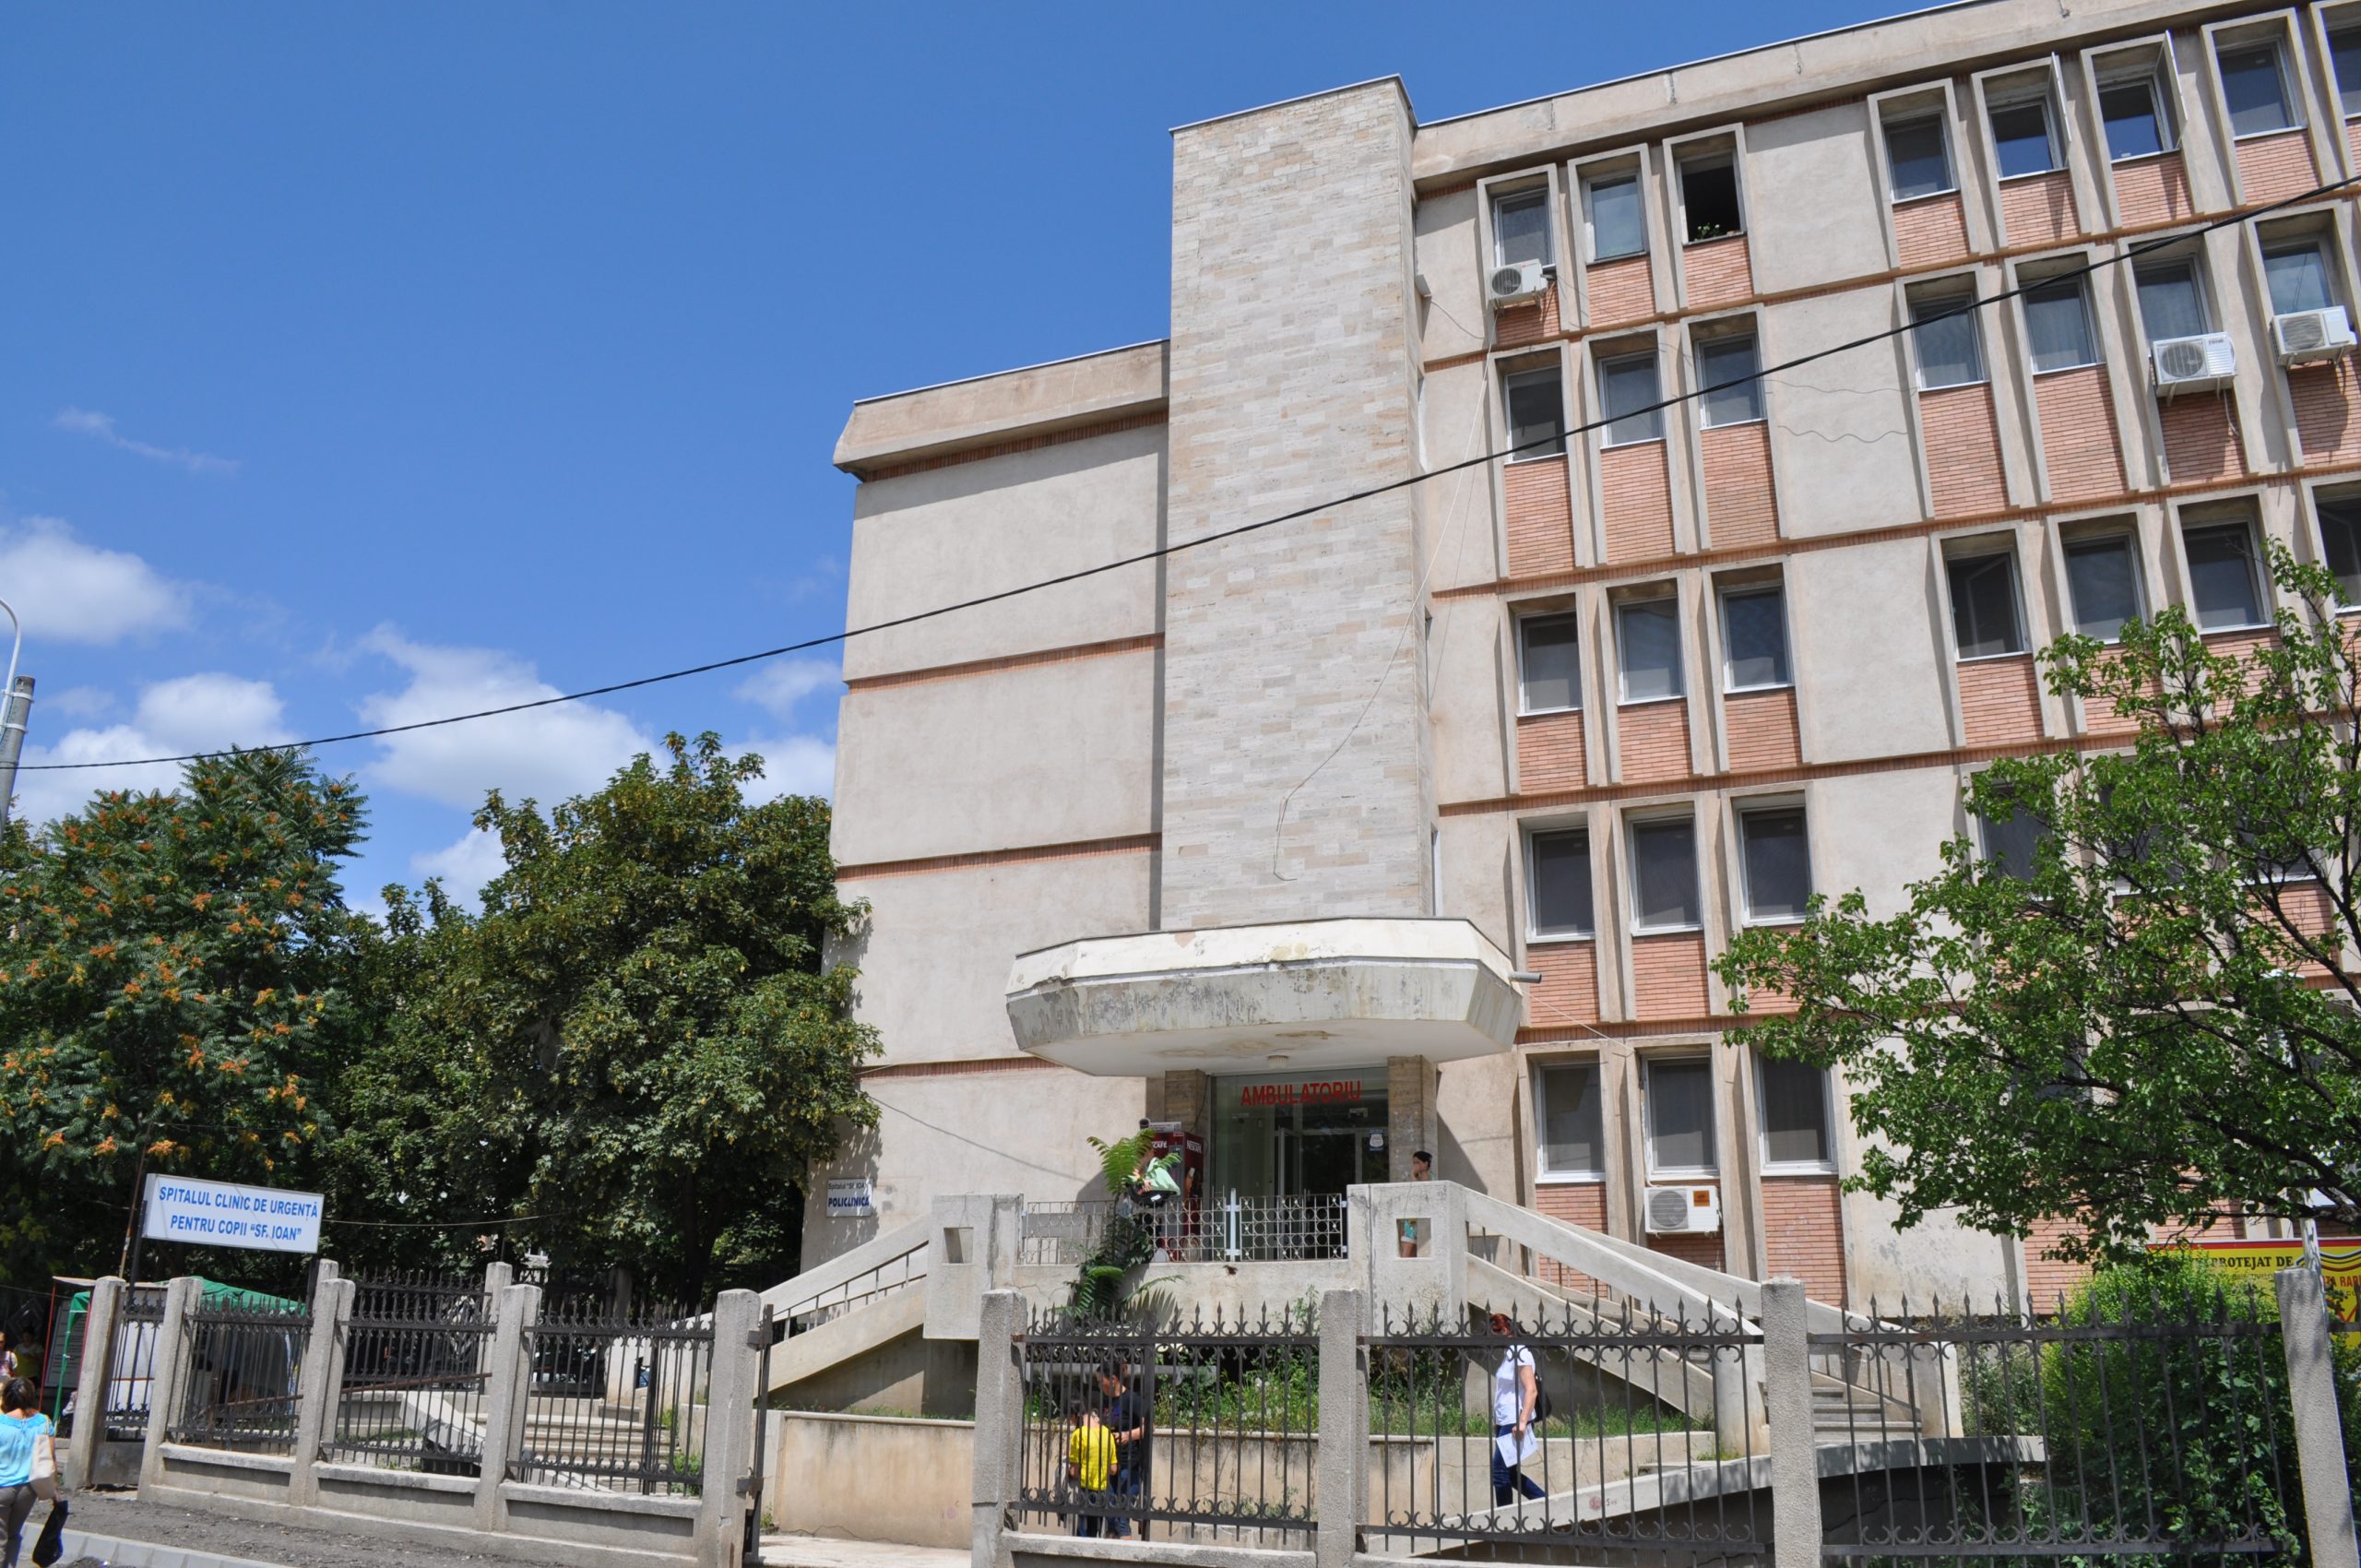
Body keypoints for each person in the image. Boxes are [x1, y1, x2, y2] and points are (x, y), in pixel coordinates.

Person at [1487, 1312, 1545, 1507]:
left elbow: (1531, 1390)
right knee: (1509, 1473)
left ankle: (1505, 1517)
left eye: (1493, 1334)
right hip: (1504, 1420)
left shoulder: (1521, 1352)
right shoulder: (1510, 1353)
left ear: (1504, 1330)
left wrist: (1522, 1422)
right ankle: (1544, 1501)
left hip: (1515, 1420)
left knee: (1499, 1471)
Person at [1097, 1356, 1152, 1540]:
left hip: (1129, 1464)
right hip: (1110, 1464)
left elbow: (1148, 1427)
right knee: (1110, 1516)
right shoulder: (1105, 1401)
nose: (1099, 1385)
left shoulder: (1132, 1399)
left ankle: (1127, 1554)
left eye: (1101, 1381)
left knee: (1121, 1517)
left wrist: (1130, 1435)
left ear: (1113, 1379)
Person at [0, 1376, 53, 1568]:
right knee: (13, 1535)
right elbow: (50, 1458)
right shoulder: (43, 1422)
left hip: (1, 1487)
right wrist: (55, 1492)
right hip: (28, 1490)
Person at [1064, 1398, 1118, 1538]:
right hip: (1103, 1491)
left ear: (1076, 1415)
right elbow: (1113, 1469)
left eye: (1071, 1419)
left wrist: (1067, 1470)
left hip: (1085, 1491)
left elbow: (1074, 1472)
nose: (1071, 1422)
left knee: (1082, 1533)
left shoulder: (1079, 1434)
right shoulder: (1107, 1433)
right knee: (1095, 1533)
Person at [1398, 1149, 1432, 1257]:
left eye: (1418, 1162)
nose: (1415, 1165)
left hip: (1416, 1219)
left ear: (1426, 1164)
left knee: (1407, 1247)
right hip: (1414, 1218)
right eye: (1414, 1163)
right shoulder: (1422, 1176)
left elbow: (1421, 1192)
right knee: (1410, 1248)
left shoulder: (1426, 1176)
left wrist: (1413, 1175)